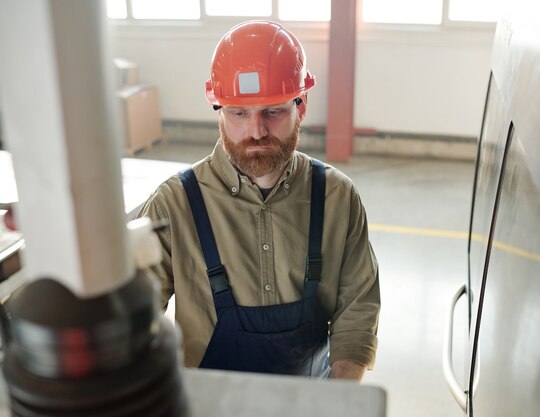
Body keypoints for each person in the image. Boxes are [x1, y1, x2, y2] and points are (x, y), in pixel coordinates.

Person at [137, 20, 379, 380]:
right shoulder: (173, 205)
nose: (257, 131)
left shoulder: (337, 198)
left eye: (274, 111)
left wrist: (337, 400)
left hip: (309, 404)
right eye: (239, 113)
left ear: (302, 105)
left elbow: (357, 311)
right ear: (218, 110)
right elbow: (134, 327)